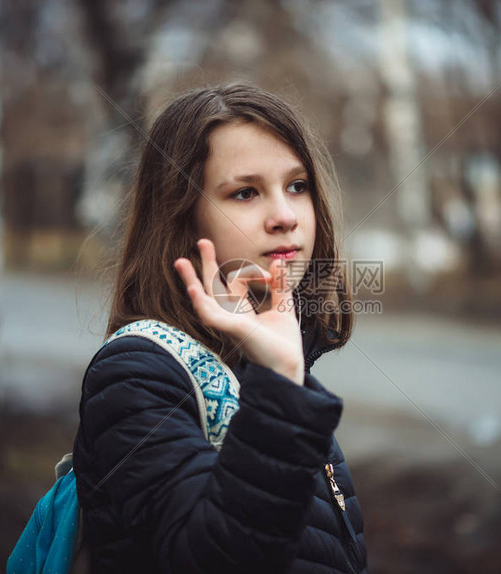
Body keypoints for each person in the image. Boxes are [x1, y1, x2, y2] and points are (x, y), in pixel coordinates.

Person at [72, 83, 368, 573]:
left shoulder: (267, 365)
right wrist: (280, 385)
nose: (285, 216)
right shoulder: (135, 374)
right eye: (245, 192)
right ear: (182, 219)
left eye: (297, 186)